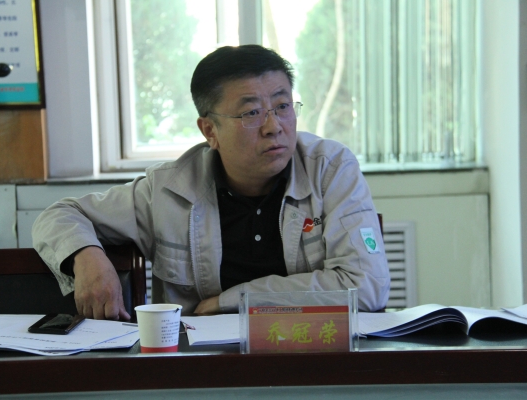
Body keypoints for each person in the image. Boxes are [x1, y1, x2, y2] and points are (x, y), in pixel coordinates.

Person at [32, 45, 390, 321]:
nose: (274, 126)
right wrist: (87, 257)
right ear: (209, 130)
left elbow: (366, 287)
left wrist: (232, 301)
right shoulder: (170, 190)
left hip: (311, 354)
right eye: (251, 112)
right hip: (203, 366)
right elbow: (58, 215)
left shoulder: (330, 169)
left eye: (283, 106)